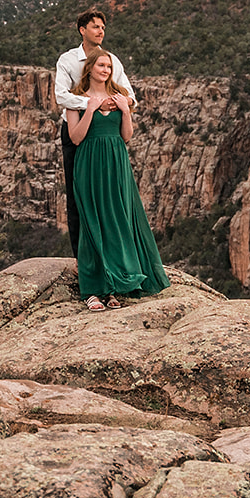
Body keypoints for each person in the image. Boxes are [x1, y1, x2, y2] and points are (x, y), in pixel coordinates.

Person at [66, 49, 169, 310]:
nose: (106, 70)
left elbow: (126, 136)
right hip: (88, 163)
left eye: (109, 66)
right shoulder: (76, 99)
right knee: (91, 222)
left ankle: (112, 287)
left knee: (115, 220)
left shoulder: (119, 95)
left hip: (116, 163)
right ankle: (91, 290)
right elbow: (76, 138)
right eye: (101, 65)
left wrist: (125, 111)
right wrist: (89, 109)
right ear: (89, 68)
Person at [54, 10, 135, 256]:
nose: (101, 31)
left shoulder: (112, 60)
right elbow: (61, 96)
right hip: (74, 130)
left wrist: (115, 104)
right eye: (95, 27)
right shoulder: (67, 60)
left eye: (103, 27)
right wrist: (91, 104)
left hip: (105, 132)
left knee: (109, 195)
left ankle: (111, 255)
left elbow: (130, 96)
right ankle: (81, 257)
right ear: (82, 30)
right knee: (77, 194)